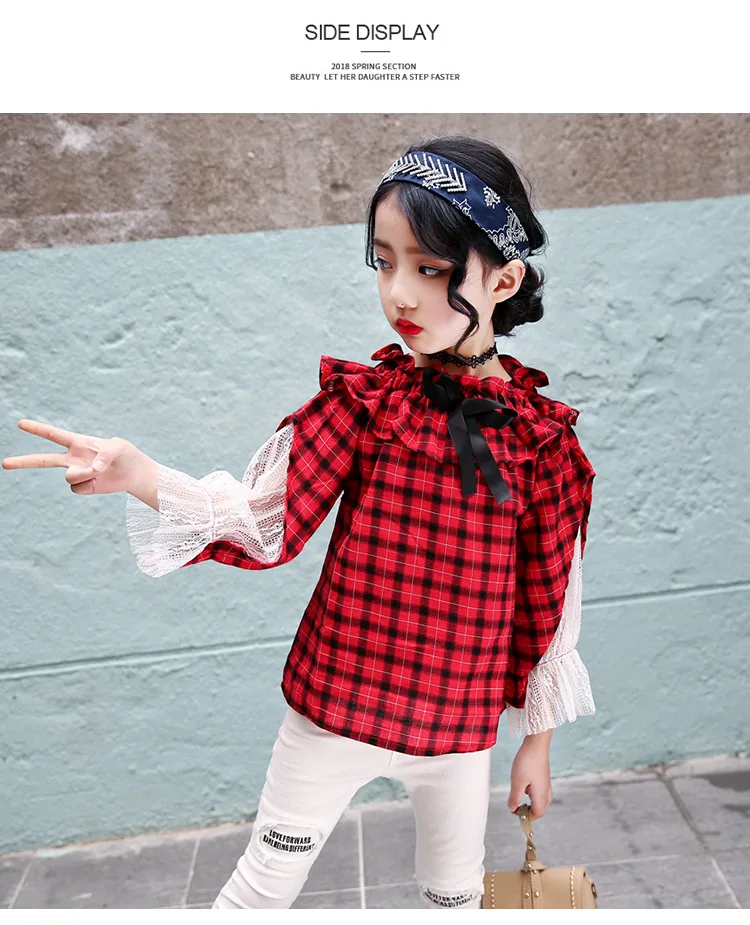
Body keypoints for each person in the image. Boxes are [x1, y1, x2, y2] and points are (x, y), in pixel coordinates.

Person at [2, 135, 597, 910]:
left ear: (503, 279)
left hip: (458, 727)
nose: (399, 294)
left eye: (430, 269)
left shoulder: (541, 443)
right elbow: (262, 516)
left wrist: (536, 743)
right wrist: (139, 475)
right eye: (384, 262)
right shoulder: (366, 405)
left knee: (453, 898)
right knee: (258, 892)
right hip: (333, 709)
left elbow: (551, 600)